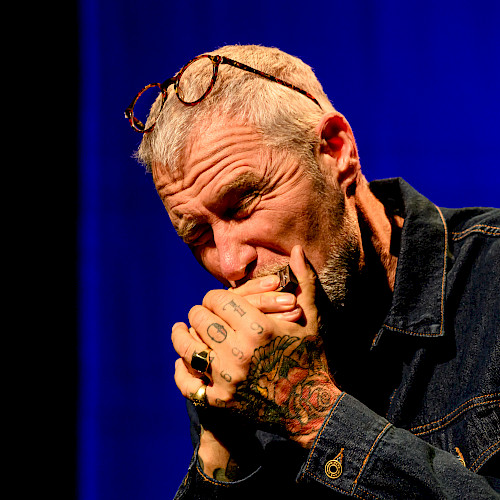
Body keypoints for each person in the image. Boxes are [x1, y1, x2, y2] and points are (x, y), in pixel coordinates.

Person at [125, 45, 500, 498]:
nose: (229, 263)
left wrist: (313, 414)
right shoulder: (245, 363)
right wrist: (222, 450)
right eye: (198, 234)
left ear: (337, 150)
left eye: (243, 204)